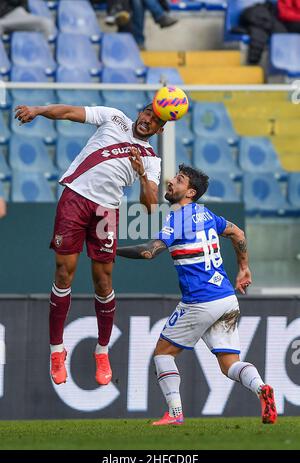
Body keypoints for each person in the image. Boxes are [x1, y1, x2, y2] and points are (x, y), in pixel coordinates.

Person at [14, 102, 166, 386]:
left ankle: (102, 351)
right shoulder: (115, 118)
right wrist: (37, 110)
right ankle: (57, 350)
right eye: (147, 113)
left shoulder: (151, 159)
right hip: (75, 198)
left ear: (160, 129)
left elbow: (151, 206)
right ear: (140, 112)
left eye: (155, 120)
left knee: (103, 281)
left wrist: (142, 174)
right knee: (63, 271)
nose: (148, 120)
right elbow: (70, 112)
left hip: (106, 211)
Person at [117, 164, 277, 425]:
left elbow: (149, 251)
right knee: (229, 365)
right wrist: (244, 268)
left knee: (163, 353)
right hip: (226, 298)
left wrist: (112, 251)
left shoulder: (178, 218)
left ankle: (175, 414)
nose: (171, 182)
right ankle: (261, 389)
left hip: (200, 300)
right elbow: (237, 233)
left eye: (178, 180)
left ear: (190, 192)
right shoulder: (206, 214)